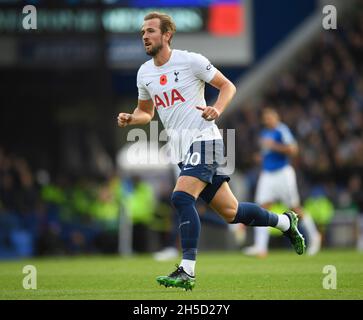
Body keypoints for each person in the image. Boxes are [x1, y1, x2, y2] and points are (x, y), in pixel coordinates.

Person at [117, 12, 306, 291]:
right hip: (182, 151)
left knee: (181, 198)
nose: (145, 36)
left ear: (167, 35)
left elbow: (227, 86)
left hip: (206, 140)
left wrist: (217, 108)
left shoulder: (191, 61)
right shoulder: (144, 73)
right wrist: (132, 119)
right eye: (143, 32)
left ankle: (187, 271)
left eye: (151, 31)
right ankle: (285, 222)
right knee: (232, 212)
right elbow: (146, 112)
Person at [243, 107, 321, 257]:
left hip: (282, 173)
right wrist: (261, 158)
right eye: (265, 117)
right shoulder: (264, 133)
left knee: (294, 208)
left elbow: (293, 150)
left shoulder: (281, 130)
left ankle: (314, 236)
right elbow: (267, 153)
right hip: (267, 174)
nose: (268, 120)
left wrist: (274, 146)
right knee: (262, 208)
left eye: (270, 117)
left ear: (276, 117)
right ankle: (260, 247)